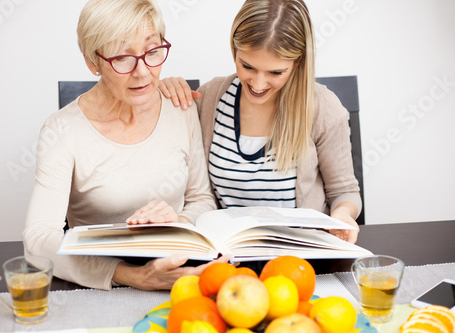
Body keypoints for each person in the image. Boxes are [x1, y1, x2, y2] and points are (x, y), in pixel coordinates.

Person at [23, 0, 227, 291]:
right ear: (92, 61)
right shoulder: (61, 131)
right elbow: (38, 240)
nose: (142, 72)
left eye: (153, 51)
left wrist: (178, 220)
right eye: (122, 57)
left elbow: (202, 200)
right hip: (98, 288)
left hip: (177, 276)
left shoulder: (179, 107)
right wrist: (135, 276)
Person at [159, 0, 361, 243]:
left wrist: (342, 214)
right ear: (234, 49)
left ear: (297, 62)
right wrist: (160, 94)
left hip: (299, 254)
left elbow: (344, 191)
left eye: (276, 72)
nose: (258, 84)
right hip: (226, 254)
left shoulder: (323, 108)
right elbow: (194, 192)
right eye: (248, 67)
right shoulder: (210, 99)